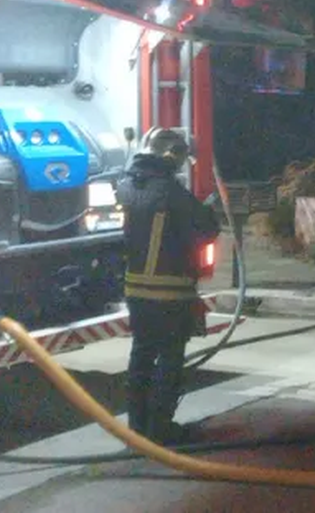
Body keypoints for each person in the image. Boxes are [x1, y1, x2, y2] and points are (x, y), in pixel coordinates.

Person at [117, 128, 220, 445]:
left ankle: (137, 427)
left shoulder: (126, 187)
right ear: (171, 155)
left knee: (142, 355)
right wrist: (208, 208)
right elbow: (206, 231)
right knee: (170, 359)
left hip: (136, 291)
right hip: (171, 291)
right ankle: (161, 429)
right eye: (180, 158)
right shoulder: (173, 193)